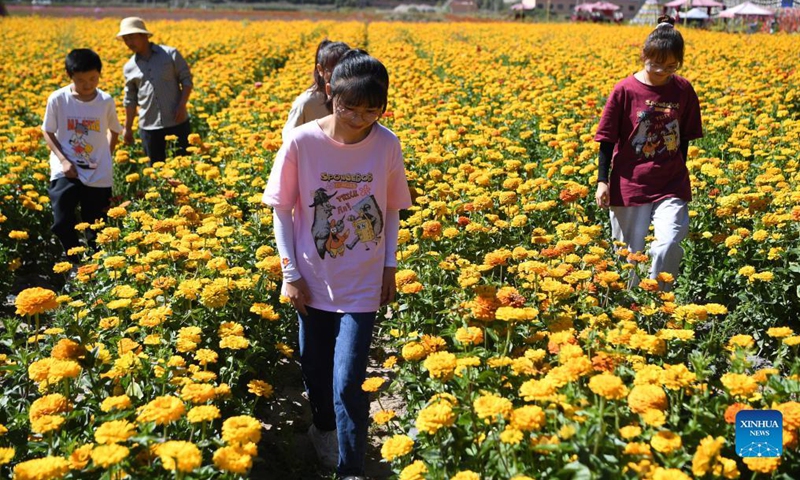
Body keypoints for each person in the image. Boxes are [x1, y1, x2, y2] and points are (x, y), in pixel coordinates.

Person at [263, 49, 412, 479]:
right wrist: (290, 273)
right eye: (351, 107)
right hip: (311, 278)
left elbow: (391, 209)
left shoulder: (386, 142)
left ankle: (350, 467)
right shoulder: (303, 140)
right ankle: (323, 427)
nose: (361, 118)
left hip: (363, 283)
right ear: (331, 93)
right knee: (313, 365)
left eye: (373, 109)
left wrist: (389, 267)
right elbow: (282, 210)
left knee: (348, 378)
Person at [594, 15, 703, 290]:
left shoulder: (683, 89)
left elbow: (685, 137)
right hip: (630, 184)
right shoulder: (625, 90)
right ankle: (626, 308)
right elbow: (607, 139)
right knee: (627, 258)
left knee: (668, 243)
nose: (661, 71)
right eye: (655, 63)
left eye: (670, 66)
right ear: (644, 54)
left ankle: (657, 302)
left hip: (671, 182)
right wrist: (602, 180)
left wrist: (679, 167)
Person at [42, 49, 122, 263]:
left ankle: (97, 270)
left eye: (93, 79)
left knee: (97, 225)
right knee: (61, 221)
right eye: (81, 80)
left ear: (100, 75)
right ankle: (75, 261)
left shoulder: (105, 101)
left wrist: (107, 154)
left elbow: (115, 130)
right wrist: (63, 160)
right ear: (70, 76)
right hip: (66, 168)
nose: (87, 85)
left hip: (98, 173)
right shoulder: (58, 99)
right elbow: (47, 131)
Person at [117, 17, 193, 164]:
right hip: (149, 127)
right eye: (126, 39)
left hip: (176, 121)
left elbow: (187, 80)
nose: (129, 43)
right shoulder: (129, 67)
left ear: (144, 35)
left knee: (185, 167)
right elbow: (130, 100)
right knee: (156, 174)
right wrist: (127, 128)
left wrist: (182, 105)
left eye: (132, 37)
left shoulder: (170, 54)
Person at [282, 39, 350, 143]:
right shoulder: (306, 103)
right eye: (333, 69)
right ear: (320, 70)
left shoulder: (355, 99)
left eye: (345, 68)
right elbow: (289, 140)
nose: (340, 73)